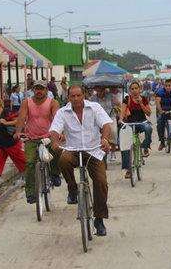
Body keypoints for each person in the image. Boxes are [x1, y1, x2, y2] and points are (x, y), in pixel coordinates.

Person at [50, 85, 112, 236]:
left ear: (84, 95)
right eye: (73, 96)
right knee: (63, 160)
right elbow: (54, 129)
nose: (76, 99)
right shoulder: (62, 112)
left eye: (79, 95)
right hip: (73, 150)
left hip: (93, 151)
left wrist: (104, 139)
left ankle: (99, 219)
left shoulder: (94, 107)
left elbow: (105, 124)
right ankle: (72, 190)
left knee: (101, 182)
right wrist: (54, 142)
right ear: (68, 98)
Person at [13, 79, 63, 204]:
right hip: (32, 137)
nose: (39, 91)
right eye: (37, 89)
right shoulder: (26, 102)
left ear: (46, 90)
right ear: (33, 90)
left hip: (49, 136)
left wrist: (60, 134)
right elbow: (22, 117)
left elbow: (57, 118)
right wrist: (18, 131)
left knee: (57, 152)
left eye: (42, 89)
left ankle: (55, 173)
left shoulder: (53, 102)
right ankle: (30, 193)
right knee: (29, 163)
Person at [119, 81, 153, 177]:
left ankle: (145, 147)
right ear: (130, 90)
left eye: (136, 88)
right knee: (125, 144)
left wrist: (141, 103)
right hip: (130, 123)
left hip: (142, 122)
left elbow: (149, 113)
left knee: (148, 128)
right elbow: (123, 110)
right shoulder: (127, 99)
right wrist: (121, 120)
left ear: (140, 89)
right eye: (132, 89)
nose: (134, 90)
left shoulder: (144, 99)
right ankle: (128, 169)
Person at [89, 86, 120, 158]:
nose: (99, 90)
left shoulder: (111, 95)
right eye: (98, 88)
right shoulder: (92, 98)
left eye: (101, 88)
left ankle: (113, 151)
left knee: (114, 132)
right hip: (98, 119)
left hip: (110, 117)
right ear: (95, 89)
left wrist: (116, 106)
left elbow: (118, 104)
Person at [155, 79, 171, 151]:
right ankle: (162, 142)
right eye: (166, 86)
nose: (167, 87)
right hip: (162, 109)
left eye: (169, 86)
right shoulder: (160, 92)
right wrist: (160, 110)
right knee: (159, 123)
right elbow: (157, 102)